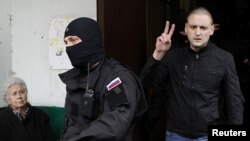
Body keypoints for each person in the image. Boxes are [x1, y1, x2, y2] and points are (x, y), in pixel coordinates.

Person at [140, 7, 245, 141]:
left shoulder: (224, 59)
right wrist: (158, 54)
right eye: (193, 27)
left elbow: (234, 101)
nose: (197, 32)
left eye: (203, 28)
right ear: (186, 28)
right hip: (175, 134)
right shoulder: (172, 57)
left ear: (212, 30)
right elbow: (147, 82)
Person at [59, 17, 147, 141]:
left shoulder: (116, 78)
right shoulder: (77, 76)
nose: (69, 47)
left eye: (73, 40)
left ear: (90, 40)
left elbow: (116, 121)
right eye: (66, 42)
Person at [0, 77, 55, 141]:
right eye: (14, 94)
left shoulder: (41, 116)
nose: (19, 96)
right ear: (8, 98)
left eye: (22, 92)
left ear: (26, 94)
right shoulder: (2, 119)